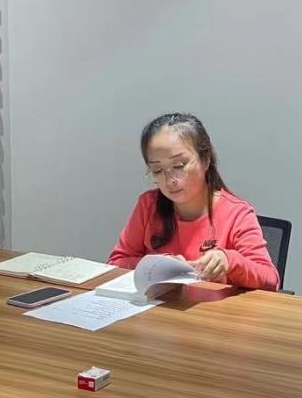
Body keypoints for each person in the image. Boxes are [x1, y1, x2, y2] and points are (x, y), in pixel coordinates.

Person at [108, 113, 280, 290]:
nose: (170, 180)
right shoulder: (149, 204)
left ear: (205, 159)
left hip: (211, 306)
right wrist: (157, 264)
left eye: (179, 166)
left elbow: (270, 280)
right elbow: (116, 262)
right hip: (160, 305)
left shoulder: (237, 213)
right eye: (158, 170)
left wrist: (230, 261)